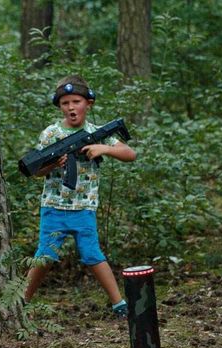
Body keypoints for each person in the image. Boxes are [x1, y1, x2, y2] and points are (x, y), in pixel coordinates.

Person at [23, 74, 137, 317]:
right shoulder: (51, 134)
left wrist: (103, 148)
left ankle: (119, 304)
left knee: (93, 255)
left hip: (84, 208)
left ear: (89, 104)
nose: (71, 107)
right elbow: (37, 171)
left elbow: (129, 154)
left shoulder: (98, 133)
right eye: (65, 103)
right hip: (54, 207)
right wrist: (53, 164)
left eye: (76, 101)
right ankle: (20, 302)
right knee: (44, 256)